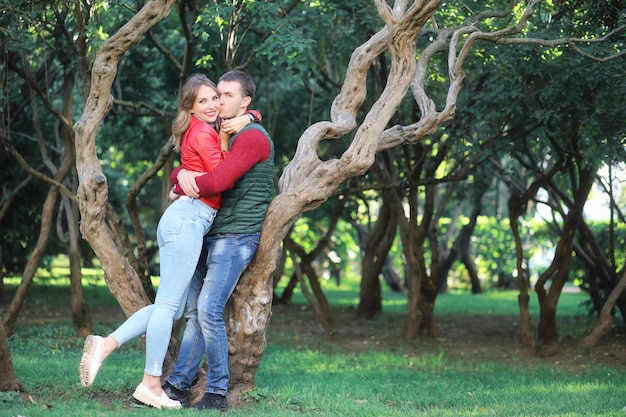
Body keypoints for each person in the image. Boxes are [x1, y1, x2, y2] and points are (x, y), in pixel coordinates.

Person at [78, 74, 256, 409]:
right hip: (188, 221)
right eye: (203, 101)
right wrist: (184, 176)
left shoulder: (204, 130)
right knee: (169, 308)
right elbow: (222, 179)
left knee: (166, 306)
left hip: (184, 220)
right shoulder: (204, 132)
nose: (212, 105)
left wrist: (250, 118)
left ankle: (107, 345)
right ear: (190, 107)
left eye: (215, 98)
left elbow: (200, 172)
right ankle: (150, 383)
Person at [161, 70, 274, 411]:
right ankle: (179, 386)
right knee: (195, 311)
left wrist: (180, 182)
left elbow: (217, 181)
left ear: (246, 101)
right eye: (216, 95)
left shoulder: (252, 136)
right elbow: (184, 165)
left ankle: (217, 392)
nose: (219, 101)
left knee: (209, 309)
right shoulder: (220, 133)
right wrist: (179, 173)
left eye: (226, 95)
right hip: (207, 233)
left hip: (235, 237)